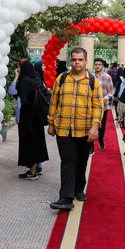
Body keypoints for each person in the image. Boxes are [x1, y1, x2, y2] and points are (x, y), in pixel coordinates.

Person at [47, 47, 103, 210]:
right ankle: (66, 197)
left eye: (80, 59)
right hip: (64, 128)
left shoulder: (93, 81)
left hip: (85, 130)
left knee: (81, 161)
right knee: (68, 161)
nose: (77, 62)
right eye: (74, 59)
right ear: (70, 61)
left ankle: (79, 189)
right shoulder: (62, 79)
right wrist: (51, 123)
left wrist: (95, 126)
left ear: (86, 61)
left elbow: (98, 106)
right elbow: (54, 102)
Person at [17, 61, 49, 178]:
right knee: (38, 141)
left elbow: (24, 101)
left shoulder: (24, 81)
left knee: (29, 143)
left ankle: (32, 171)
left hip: (28, 117)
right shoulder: (36, 79)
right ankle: (38, 166)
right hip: (38, 117)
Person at [90, 57, 114, 154]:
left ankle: (100, 139)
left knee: (102, 126)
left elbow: (111, 91)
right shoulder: (90, 76)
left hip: (103, 106)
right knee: (91, 125)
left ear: (102, 66)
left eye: (99, 65)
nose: (97, 66)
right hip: (91, 106)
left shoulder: (107, 77)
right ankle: (91, 145)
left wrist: (106, 98)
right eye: (96, 64)